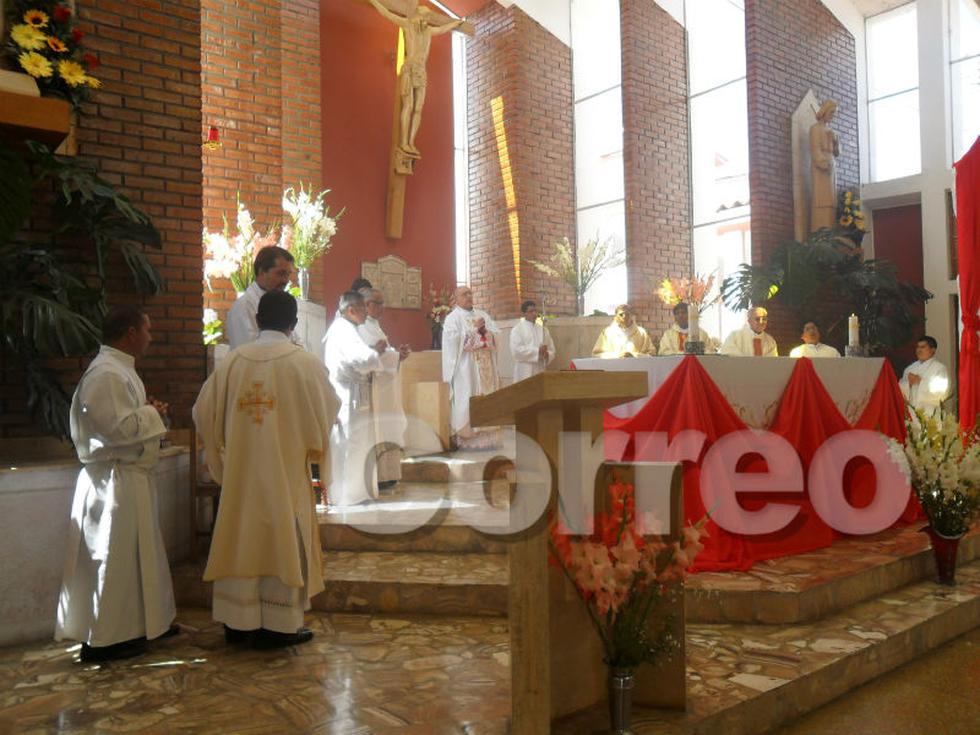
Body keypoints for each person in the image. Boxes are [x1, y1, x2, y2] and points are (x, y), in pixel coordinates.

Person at [193, 291, 339, 648]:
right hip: (285, 476)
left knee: (239, 537)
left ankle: (237, 620)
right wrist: (312, 448)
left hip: (240, 477)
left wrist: (221, 451)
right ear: (294, 324)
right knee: (282, 538)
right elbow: (328, 411)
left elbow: (201, 412)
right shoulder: (304, 364)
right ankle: (278, 624)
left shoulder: (233, 362)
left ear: (257, 321)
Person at [56, 306, 177, 662]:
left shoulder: (119, 369)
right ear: (130, 333)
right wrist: (153, 413)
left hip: (127, 478)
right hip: (112, 482)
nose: (150, 338)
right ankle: (105, 640)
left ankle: (134, 628)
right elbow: (117, 430)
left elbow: (123, 420)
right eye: (147, 330)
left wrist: (148, 412)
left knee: (131, 560)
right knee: (112, 560)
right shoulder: (107, 374)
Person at [366, 0, 466, 155]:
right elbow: (387, 13)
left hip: (421, 72)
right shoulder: (407, 24)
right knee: (409, 105)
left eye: (427, 18)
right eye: (424, 17)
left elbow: (443, 28)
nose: (426, 21)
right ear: (417, 16)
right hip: (410, 70)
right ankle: (404, 142)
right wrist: (375, 2)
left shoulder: (428, 31)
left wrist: (457, 23)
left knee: (418, 108)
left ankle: (411, 142)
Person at [324, 291, 387, 505]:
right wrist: (376, 353)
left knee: (359, 442)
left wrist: (373, 352)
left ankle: (358, 492)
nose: (366, 313)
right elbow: (360, 360)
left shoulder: (346, 328)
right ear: (351, 310)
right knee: (351, 442)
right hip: (348, 394)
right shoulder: (343, 330)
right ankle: (347, 496)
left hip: (354, 392)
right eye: (363, 308)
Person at [358, 288, 410, 491]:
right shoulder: (361, 327)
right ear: (366, 304)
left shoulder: (375, 326)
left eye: (382, 303)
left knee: (389, 427)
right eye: (378, 303)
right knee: (378, 430)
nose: (383, 307)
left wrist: (398, 355)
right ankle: (379, 475)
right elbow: (365, 356)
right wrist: (392, 356)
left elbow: (383, 353)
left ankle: (389, 473)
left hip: (385, 389)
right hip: (374, 389)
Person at [442, 286, 501, 449]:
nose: (468, 296)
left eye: (470, 293)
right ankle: (467, 440)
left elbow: (497, 335)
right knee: (467, 397)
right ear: (456, 299)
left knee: (487, 398)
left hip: (485, 366)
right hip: (465, 368)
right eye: (464, 294)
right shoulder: (452, 318)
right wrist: (474, 330)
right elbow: (452, 341)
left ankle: (488, 440)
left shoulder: (483, 315)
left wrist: (486, 331)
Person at [226, 246, 296, 348]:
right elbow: (249, 351)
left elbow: (297, 342)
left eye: (288, 274)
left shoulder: (282, 304)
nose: (285, 280)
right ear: (262, 271)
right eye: (280, 274)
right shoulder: (243, 306)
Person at [899, 336, 949, 417]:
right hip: (910, 414)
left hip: (929, 414)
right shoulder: (909, 369)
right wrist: (908, 384)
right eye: (917, 347)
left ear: (933, 350)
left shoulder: (939, 368)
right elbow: (900, 391)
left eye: (922, 347)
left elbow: (942, 393)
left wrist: (920, 382)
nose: (919, 350)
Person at [809, 99, 839, 232]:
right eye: (831, 112)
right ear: (824, 111)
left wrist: (835, 141)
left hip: (831, 164)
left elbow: (837, 153)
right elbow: (815, 150)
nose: (832, 116)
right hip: (821, 168)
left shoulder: (831, 131)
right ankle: (820, 229)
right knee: (821, 200)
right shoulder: (815, 129)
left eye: (834, 114)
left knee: (831, 200)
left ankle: (830, 230)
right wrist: (823, 163)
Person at [509, 299, 556, 383]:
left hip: (540, 369)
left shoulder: (543, 330)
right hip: (524, 371)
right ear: (524, 314)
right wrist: (538, 351)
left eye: (535, 311)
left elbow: (552, 349)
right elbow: (516, 351)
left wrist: (547, 354)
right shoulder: (517, 330)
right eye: (531, 311)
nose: (534, 314)